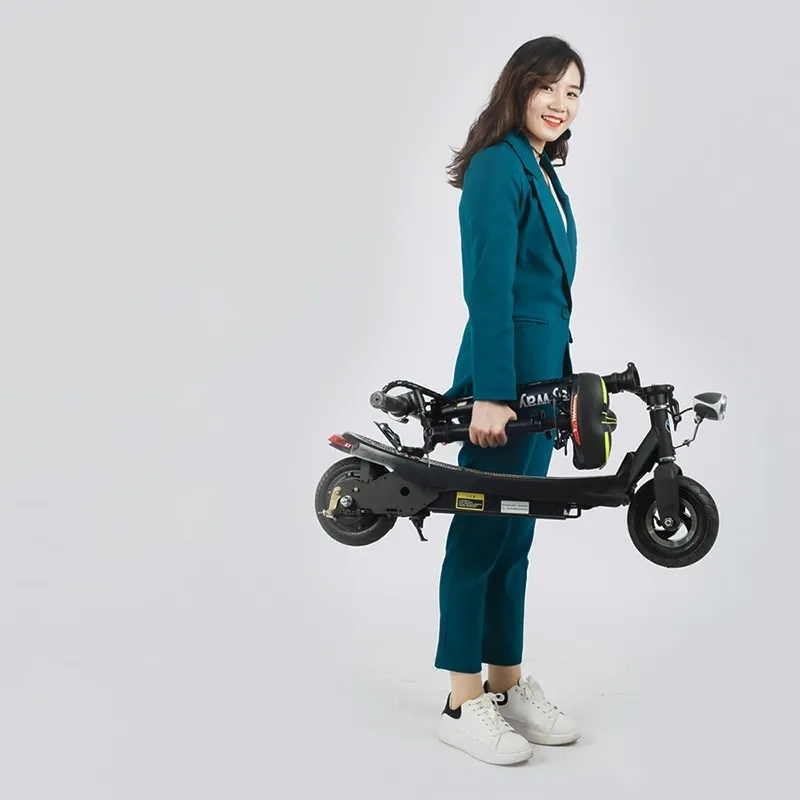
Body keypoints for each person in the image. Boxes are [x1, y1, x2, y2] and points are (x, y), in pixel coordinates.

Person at [435, 36, 585, 765]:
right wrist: (492, 395)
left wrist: (560, 384)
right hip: (506, 385)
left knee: (516, 534)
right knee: (480, 531)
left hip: (542, 381)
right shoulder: (498, 166)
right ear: (519, 88)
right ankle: (461, 700)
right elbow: (488, 286)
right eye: (548, 87)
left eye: (573, 92)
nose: (561, 104)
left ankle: (505, 680)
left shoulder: (544, 171)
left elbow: (549, 296)